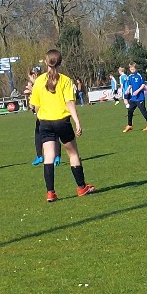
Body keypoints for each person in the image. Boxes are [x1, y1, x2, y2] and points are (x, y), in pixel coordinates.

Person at [29, 49, 96, 202]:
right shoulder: (65, 80)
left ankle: (50, 193)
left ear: (46, 62)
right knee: (73, 154)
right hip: (62, 122)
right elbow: (70, 103)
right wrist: (77, 122)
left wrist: (40, 115)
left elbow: (34, 106)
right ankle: (81, 187)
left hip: (45, 123)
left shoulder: (39, 81)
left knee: (49, 157)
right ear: (60, 62)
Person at [23, 66, 59, 167]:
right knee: (42, 133)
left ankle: (52, 156)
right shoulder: (38, 82)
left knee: (50, 134)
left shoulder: (42, 82)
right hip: (43, 113)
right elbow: (32, 105)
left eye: (31, 75)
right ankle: (43, 156)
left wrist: (32, 90)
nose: (31, 77)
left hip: (47, 113)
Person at [122, 62, 147, 132]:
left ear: (136, 68)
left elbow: (143, 85)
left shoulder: (140, 75)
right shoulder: (130, 76)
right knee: (130, 110)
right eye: (131, 69)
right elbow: (130, 85)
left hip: (140, 97)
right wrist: (128, 89)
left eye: (133, 69)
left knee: (143, 111)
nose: (132, 70)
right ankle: (129, 125)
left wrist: (137, 91)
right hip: (133, 98)